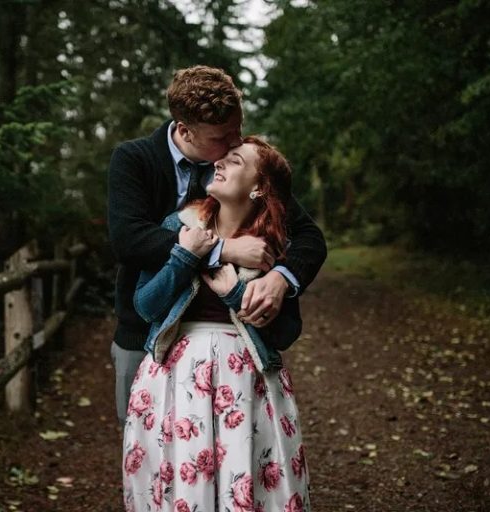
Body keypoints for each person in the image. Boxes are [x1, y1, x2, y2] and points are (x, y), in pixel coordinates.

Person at [107, 65, 326, 425]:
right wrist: (222, 250)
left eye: (238, 129)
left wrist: (281, 278)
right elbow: (129, 240)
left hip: (231, 349)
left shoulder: (238, 168)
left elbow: (309, 236)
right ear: (184, 131)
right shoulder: (134, 160)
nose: (235, 142)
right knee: (150, 451)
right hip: (144, 334)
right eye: (223, 137)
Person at [123, 136, 310, 511]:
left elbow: (286, 332)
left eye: (236, 160)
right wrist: (186, 256)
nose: (220, 163)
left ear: (259, 187)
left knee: (248, 482)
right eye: (222, 158)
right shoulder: (179, 225)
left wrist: (237, 296)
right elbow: (145, 306)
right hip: (173, 376)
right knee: (177, 484)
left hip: (248, 380)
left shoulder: (271, 248)